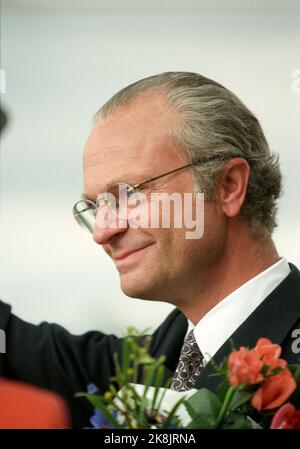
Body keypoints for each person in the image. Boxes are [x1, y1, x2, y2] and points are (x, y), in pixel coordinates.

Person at [0, 72, 299, 428]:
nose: (103, 232)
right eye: (95, 208)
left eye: (128, 195)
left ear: (228, 186)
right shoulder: (157, 357)